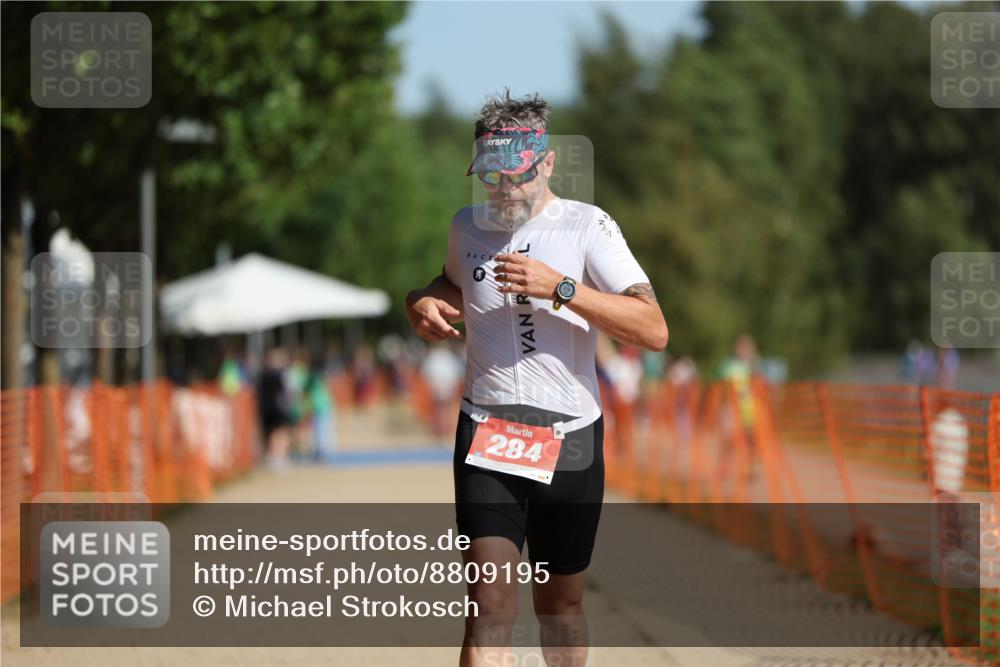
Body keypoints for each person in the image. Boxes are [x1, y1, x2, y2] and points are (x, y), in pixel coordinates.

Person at [404, 90, 668, 667]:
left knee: (560, 607)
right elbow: (451, 283)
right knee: (489, 604)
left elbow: (652, 329)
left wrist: (561, 289)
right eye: (490, 178)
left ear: (546, 163)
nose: (502, 191)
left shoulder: (587, 226)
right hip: (487, 429)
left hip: (570, 437)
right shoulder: (466, 227)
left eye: (516, 177)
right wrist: (421, 301)